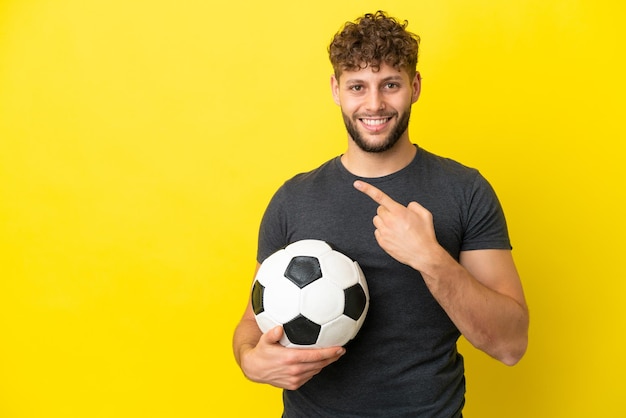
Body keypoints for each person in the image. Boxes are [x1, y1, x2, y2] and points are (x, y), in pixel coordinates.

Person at [233, 10, 529, 417]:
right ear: (336, 89)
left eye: (390, 84)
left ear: (415, 86)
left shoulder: (464, 191)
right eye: (358, 86)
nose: (374, 104)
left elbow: (510, 345)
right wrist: (250, 360)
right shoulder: (292, 199)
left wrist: (431, 258)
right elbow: (251, 324)